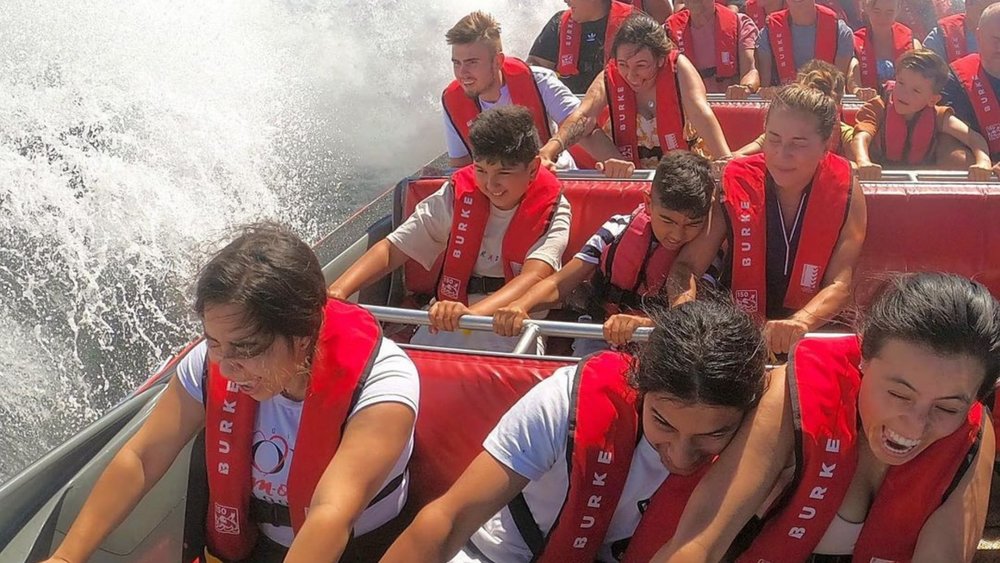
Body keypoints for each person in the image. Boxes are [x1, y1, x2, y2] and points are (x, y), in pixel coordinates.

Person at [42, 223, 420, 563]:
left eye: (246, 348)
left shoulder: (383, 383)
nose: (225, 367)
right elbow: (143, 457)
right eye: (214, 343)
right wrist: (65, 558)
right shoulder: (209, 368)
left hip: (358, 550)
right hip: (257, 547)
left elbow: (331, 512)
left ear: (302, 333)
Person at [381, 298, 767, 563]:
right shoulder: (563, 403)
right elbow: (449, 519)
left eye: (712, 435)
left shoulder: (762, 438)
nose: (681, 456)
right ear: (640, 387)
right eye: (663, 423)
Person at [652, 272, 999, 562]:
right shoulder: (792, 395)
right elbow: (698, 545)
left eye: (947, 408)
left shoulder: (970, 440)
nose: (913, 424)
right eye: (899, 394)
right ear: (863, 356)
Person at [327, 106, 570, 353]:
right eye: (481, 170)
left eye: (504, 173)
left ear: (532, 169)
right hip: (447, 314)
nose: (491, 184)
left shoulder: (554, 207)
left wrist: (470, 315)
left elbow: (535, 276)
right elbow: (392, 250)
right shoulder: (456, 194)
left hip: (513, 324)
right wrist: (338, 290)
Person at [669, 83, 867, 356]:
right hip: (735, 335)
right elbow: (687, 266)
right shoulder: (734, 183)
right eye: (773, 139)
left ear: (826, 145)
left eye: (798, 143)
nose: (782, 154)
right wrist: (683, 316)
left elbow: (839, 285)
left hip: (808, 337)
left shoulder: (848, 190)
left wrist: (799, 323)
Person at [491, 151, 717, 353]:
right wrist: (520, 306)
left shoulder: (706, 254)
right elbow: (560, 284)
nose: (677, 235)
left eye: (692, 224)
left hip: (661, 345)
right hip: (599, 332)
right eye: (667, 220)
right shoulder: (616, 228)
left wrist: (645, 324)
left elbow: (694, 320)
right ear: (648, 203)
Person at [540, 13, 733, 171]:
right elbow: (583, 117)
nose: (631, 76)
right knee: (585, 130)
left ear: (660, 59)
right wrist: (548, 151)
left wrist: (725, 160)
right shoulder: (610, 75)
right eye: (623, 65)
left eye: (641, 65)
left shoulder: (678, 68)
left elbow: (700, 113)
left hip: (685, 173)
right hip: (630, 174)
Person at [442, 11, 621, 172]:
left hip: (558, 179)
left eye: (471, 62)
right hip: (498, 193)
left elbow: (584, 125)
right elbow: (461, 166)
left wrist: (622, 168)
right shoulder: (451, 100)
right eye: (456, 63)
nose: (462, 73)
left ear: (498, 61)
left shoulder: (539, 81)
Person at [853, 49, 995, 179]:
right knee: (851, 162)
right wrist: (863, 161)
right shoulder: (878, 107)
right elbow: (861, 138)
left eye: (916, 91)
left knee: (960, 158)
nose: (903, 93)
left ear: (932, 100)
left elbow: (973, 138)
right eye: (901, 83)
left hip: (921, 175)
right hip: (878, 171)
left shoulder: (938, 115)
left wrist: (983, 162)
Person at [527, 0, 671, 95]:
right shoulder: (558, 23)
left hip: (622, 112)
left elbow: (663, 68)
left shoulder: (634, 23)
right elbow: (535, 70)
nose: (565, 1)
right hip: (569, 113)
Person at [735, 60, 854, 157]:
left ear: (838, 106)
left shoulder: (847, 135)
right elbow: (739, 156)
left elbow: (861, 167)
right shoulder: (782, 132)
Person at [940, 3, 1000, 172]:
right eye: (995, 39)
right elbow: (947, 150)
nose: (999, 47)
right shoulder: (954, 80)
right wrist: (985, 169)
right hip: (983, 181)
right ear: (978, 36)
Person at [665, 0, 762, 97]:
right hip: (688, 106)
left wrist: (745, 87)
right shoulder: (667, 31)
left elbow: (751, 71)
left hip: (729, 104)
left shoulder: (741, 24)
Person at [755, 0, 855, 88]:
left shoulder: (841, 32)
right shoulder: (767, 32)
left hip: (825, 102)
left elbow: (838, 87)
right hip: (785, 103)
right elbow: (765, 84)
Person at [850, 0, 922, 96]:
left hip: (904, 105)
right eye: (877, 11)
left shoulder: (913, 44)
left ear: (898, 10)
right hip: (868, 105)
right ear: (867, 9)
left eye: (889, 12)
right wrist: (857, 90)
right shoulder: (855, 42)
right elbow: (852, 79)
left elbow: (922, 81)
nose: (882, 18)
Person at [923, 0, 999, 63]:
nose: (994, 19)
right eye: (986, 11)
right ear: (969, 3)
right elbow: (926, 75)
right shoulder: (941, 37)